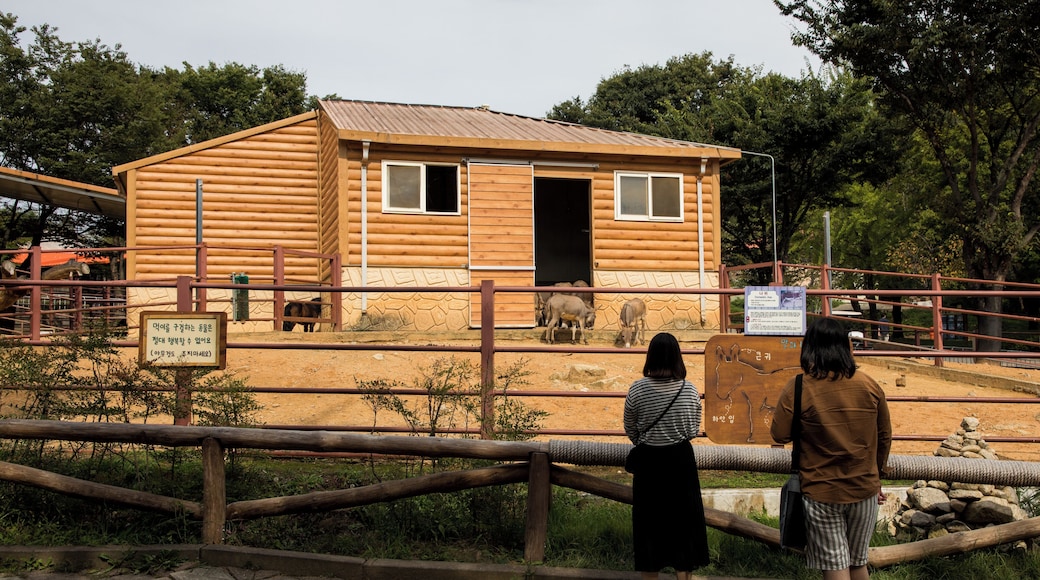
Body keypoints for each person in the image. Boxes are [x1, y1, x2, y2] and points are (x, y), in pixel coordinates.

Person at [771, 318, 892, 580]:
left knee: (835, 564)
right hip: (865, 489)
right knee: (858, 562)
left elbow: (779, 434)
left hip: (821, 490)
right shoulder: (870, 385)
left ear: (809, 348)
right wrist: (877, 477)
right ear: (846, 346)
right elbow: (884, 437)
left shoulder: (799, 387)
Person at [623, 332, 709, 579]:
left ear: (650, 357)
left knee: (649, 529)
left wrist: (646, 441)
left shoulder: (637, 389)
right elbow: (692, 430)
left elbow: (630, 427)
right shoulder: (689, 390)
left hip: (649, 464)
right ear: (677, 358)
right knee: (684, 527)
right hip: (681, 462)